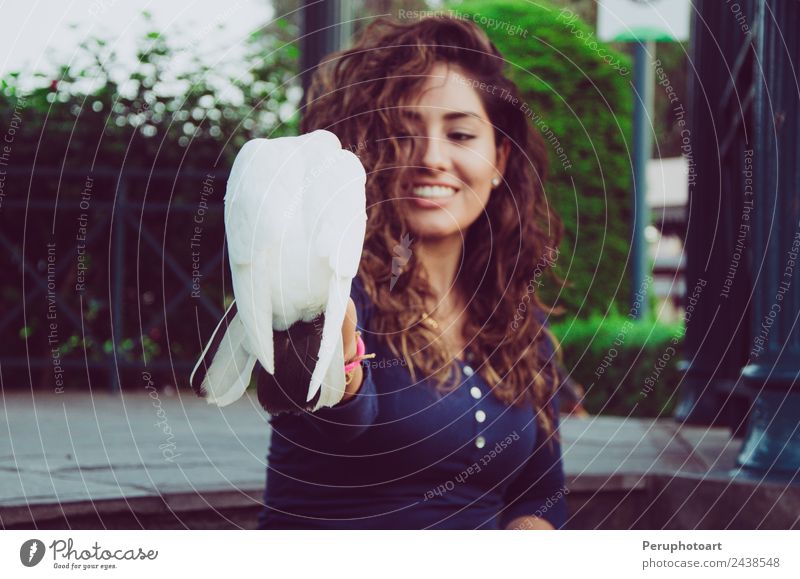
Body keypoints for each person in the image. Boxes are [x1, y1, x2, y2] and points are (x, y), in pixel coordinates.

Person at [256, 14, 568, 530]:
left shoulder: (516, 314)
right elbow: (333, 423)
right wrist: (338, 368)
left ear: (499, 160)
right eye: (402, 133)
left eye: (461, 134)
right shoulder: (333, 284)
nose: (430, 158)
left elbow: (542, 493)